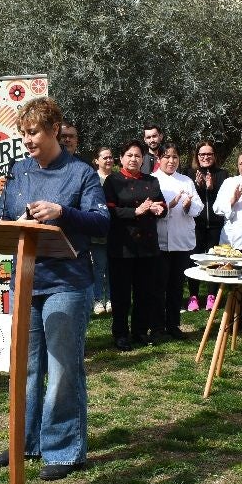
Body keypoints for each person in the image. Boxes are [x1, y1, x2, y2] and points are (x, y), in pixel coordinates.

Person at [0, 96, 108, 480]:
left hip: (68, 284)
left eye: (33, 133)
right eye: (23, 133)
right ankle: (24, 440)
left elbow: (101, 222)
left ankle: (62, 450)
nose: (27, 140)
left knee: (61, 370)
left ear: (54, 129)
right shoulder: (19, 171)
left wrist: (63, 213)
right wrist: (18, 219)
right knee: (25, 369)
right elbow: (4, 217)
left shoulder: (81, 174)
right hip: (25, 279)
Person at [104, 140, 166, 350]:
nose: (133, 159)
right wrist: (135, 212)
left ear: (143, 159)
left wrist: (159, 209)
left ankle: (140, 330)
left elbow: (162, 204)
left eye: (137, 156)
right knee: (121, 294)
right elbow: (109, 211)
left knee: (145, 292)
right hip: (122, 246)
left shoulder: (152, 181)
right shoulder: (112, 181)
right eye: (129, 155)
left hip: (148, 246)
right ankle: (120, 333)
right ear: (121, 158)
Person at [154, 143, 203, 339]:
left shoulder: (186, 181)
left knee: (176, 286)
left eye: (175, 157)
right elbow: (153, 210)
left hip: (182, 240)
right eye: (166, 157)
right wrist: (169, 205)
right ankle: (157, 327)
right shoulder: (153, 180)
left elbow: (198, 208)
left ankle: (173, 324)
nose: (171, 161)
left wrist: (188, 205)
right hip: (161, 241)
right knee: (159, 287)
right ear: (159, 159)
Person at [188, 141, 228, 312]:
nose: (205, 157)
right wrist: (198, 187)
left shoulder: (223, 174)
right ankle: (193, 296)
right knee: (195, 259)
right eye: (202, 154)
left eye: (209, 154)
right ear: (197, 157)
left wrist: (211, 188)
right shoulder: (189, 173)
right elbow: (189, 198)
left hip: (215, 225)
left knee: (214, 260)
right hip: (196, 225)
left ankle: (212, 296)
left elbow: (223, 200)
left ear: (214, 156)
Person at [90, 146, 114, 315]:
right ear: (96, 161)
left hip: (115, 232)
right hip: (98, 232)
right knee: (99, 267)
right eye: (104, 157)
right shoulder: (92, 179)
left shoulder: (117, 179)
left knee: (111, 268)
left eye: (110, 157)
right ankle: (98, 300)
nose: (108, 160)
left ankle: (111, 299)